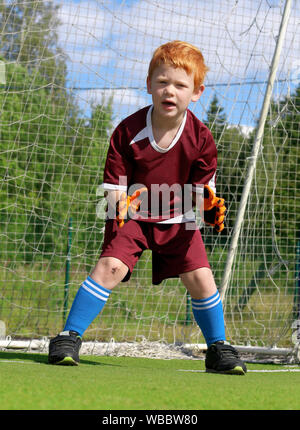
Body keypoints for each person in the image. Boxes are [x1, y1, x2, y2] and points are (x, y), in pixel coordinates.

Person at [48, 41, 247, 375]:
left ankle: (218, 347)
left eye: (181, 85)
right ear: (149, 85)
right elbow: (114, 191)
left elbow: (201, 194)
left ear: (196, 92)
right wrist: (120, 205)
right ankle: (68, 337)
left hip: (179, 217)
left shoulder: (201, 138)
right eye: (162, 82)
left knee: (200, 278)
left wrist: (209, 206)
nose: (170, 91)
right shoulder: (127, 131)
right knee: (110, 267)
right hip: (134, 217)